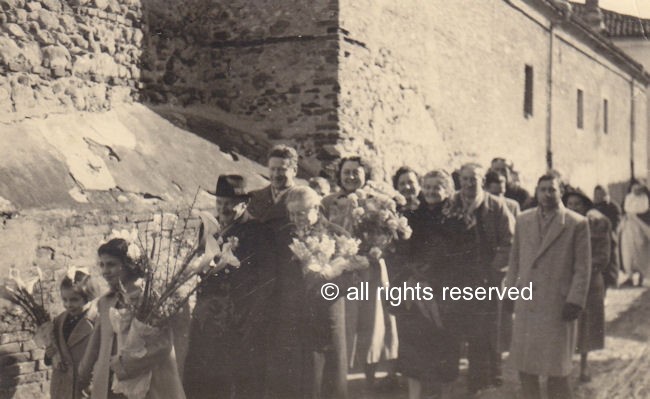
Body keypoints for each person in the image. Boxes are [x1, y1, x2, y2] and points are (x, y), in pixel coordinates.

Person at [184, 175, 276, 399]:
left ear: (244, 204)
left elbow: (265, 279)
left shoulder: (258, 231)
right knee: (204, 373)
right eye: (220, 203)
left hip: (239, 315)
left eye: (229, 204)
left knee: (234, 377)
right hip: (208, 314)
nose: (223, 208)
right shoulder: (210, 227)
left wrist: (250, 316)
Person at [505, 173, 591, 399]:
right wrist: (509, 292)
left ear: (560, 191)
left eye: (551, 189)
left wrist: (575, 300)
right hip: (528, 305)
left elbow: (582, 268)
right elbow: (514, 261)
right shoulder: (523, 220)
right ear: (536, 191)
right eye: (542, 189)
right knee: (527, 368)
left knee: (557, 370)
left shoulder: (576, 223)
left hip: (557, 305)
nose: (546, 194)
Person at [322, 156, 398, 388]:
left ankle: (370, 377)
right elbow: (321, 232)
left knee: (371, 321)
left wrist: (378, 249)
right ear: (339, 175)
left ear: (366, 175)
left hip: (369, 269)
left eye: (357, 172)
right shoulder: (328, 202)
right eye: (347, 172)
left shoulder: (379, 202)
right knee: (343, 320)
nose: (351, 177)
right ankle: (340, 378)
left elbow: (390, 233)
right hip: (340, 269)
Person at [267, 186, 350, 399]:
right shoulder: (281, 236)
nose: (296, 219)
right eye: (292, 213)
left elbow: (352, 280)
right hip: (292, 320)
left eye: (301, 213)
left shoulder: (337, 234)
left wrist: (327, 276)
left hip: (325, 318)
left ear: (316, 208)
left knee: (326, 384)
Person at [78, 239, 185, 399]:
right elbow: (96, 342)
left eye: (111, 264)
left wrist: (126, 364)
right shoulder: (106, 301)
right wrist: (83, 375)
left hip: (146, 384)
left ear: (129, 264)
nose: (105, 271)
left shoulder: (149, 299)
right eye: (102, 265)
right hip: (110, 385)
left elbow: (163, 344)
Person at [444, 163, 514, 394]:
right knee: (455, 329)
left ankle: (480, 383)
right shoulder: (451, 204)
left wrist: (494, 272)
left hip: (487, 280)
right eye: (464, 179)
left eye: (473, 179)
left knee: (484, 332)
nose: (468, 184)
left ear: (481, 181)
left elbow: (509, 242)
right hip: (457, 279)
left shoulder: (496, 206)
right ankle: (452, 382)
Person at [389, 169, 459, 399]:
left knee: (445, 350)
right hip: (414, 290)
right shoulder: (412, 217)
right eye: (426, 187)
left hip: (444, 293)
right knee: (414, 351)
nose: (430, 192)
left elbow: (460, 256)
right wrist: (411, 278)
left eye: (436, 187)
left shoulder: (457, 218)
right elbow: (402, 252)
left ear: (447, 190)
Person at [563, 189, 616, 383]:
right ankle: (564, 365)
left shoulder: (598, 223)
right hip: (565, 281)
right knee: (565, 322)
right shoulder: (562, 223)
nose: (574, 207)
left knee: (587, 324)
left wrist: (581, 269)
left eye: (578, 204)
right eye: (570, 204)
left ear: (586, 206)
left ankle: (584, 367)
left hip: (590, 282)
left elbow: (603, 256)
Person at [45, 270, 98, 399]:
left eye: (74, 300)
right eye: (65, 300)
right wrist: (49, 354)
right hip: (61, 388)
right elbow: (52, 355)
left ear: (87, 296)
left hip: (83, 389)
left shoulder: (98, 321)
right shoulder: (59, 320)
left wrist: (92, 385)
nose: (68, 305)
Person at [247, 144, 299, 232]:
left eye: (281, 169)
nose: (276, 174)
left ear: (294, 171)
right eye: (272, 169)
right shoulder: (254, 197)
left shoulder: (303, 200)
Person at [620, 182, 650, 286]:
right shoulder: (628, 197)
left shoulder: (645, 198)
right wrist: (631, 214)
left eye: (638, 187)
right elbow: (627, 208)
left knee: (641, 251)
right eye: (634, 187)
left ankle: (641, 276)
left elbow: (644, 209)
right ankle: (629, 276)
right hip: (629, 227)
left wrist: (635, 215)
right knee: (628, 251)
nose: (636, 189)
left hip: (640, 227)